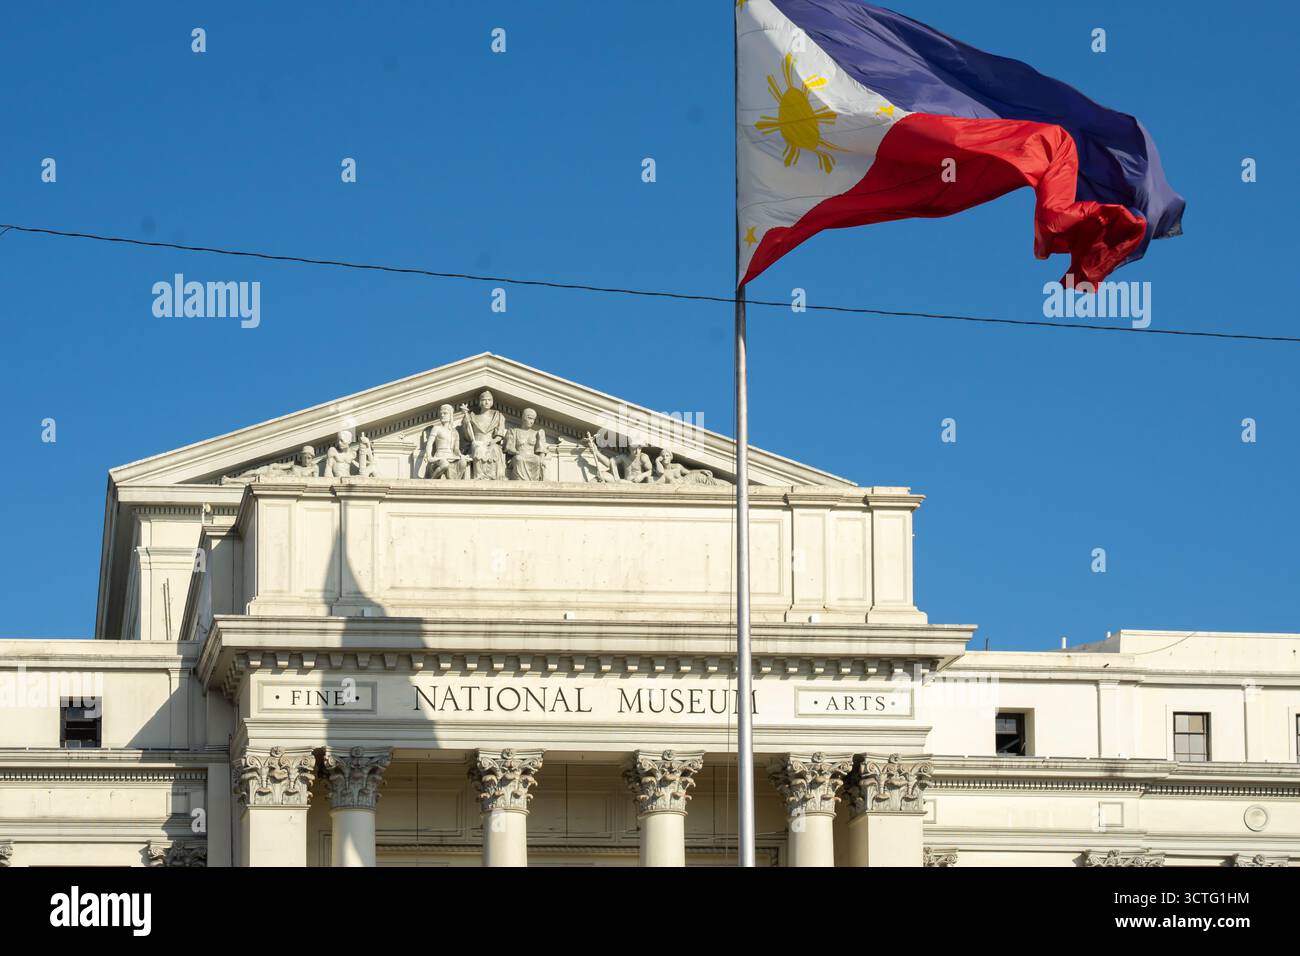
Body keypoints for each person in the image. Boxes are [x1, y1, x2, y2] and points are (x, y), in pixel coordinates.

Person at [459, 390, 507, 480]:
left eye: (489, 400)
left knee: (495, 449)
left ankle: (493, 476)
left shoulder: (497, 416)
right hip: (477, 441)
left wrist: (493, 441)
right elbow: (468, 436)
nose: (487, 402)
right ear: (480, 402)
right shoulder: (472, 416)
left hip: (491, 442)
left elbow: (499, 435)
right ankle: (480, 476)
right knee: (478, 448)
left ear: (492, 402)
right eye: (484, 400)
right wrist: (466, 422)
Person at [506, 408, 547, 481]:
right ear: (523, 417)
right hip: (519, 455)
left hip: (532, 456)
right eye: (529, 418)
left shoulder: (537, 433)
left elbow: (542, 450)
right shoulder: (514, 431)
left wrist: (542, 459)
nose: (531, 421)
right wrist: (517, 452)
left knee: (537, 459)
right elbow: (509, 448)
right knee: (519, 459)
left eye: (533, 419)